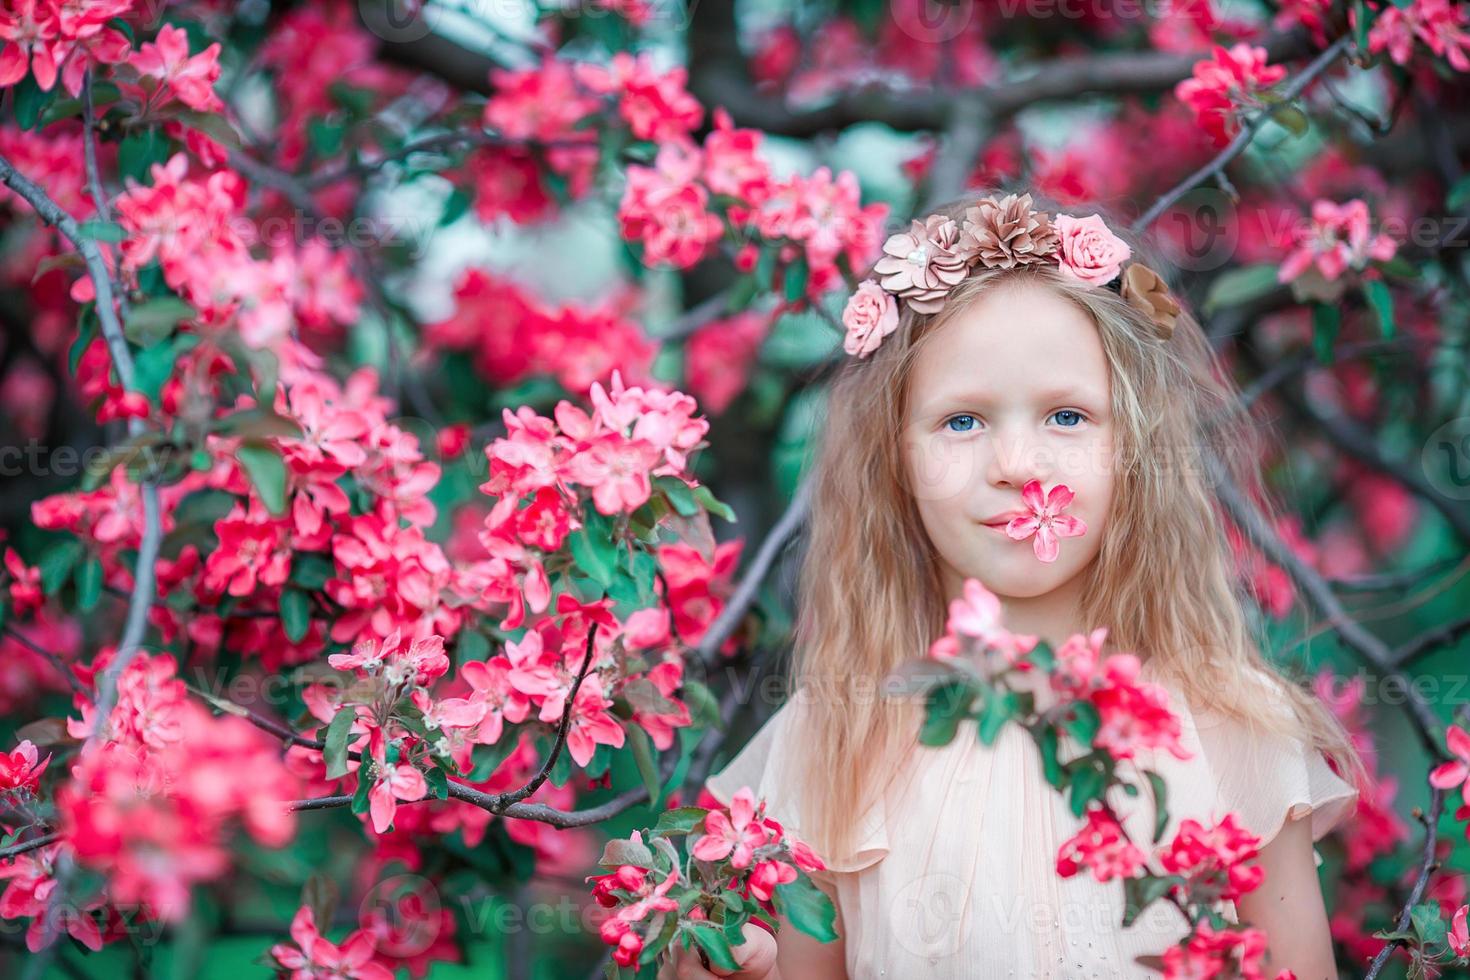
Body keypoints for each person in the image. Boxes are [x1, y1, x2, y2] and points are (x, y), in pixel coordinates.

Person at [659, 190, 1363, 980]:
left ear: (1133, 446)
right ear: (896, 460)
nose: (1017, 466)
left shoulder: (1233, 723)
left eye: (1068, 417)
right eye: (962, 422)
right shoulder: (834, 738)